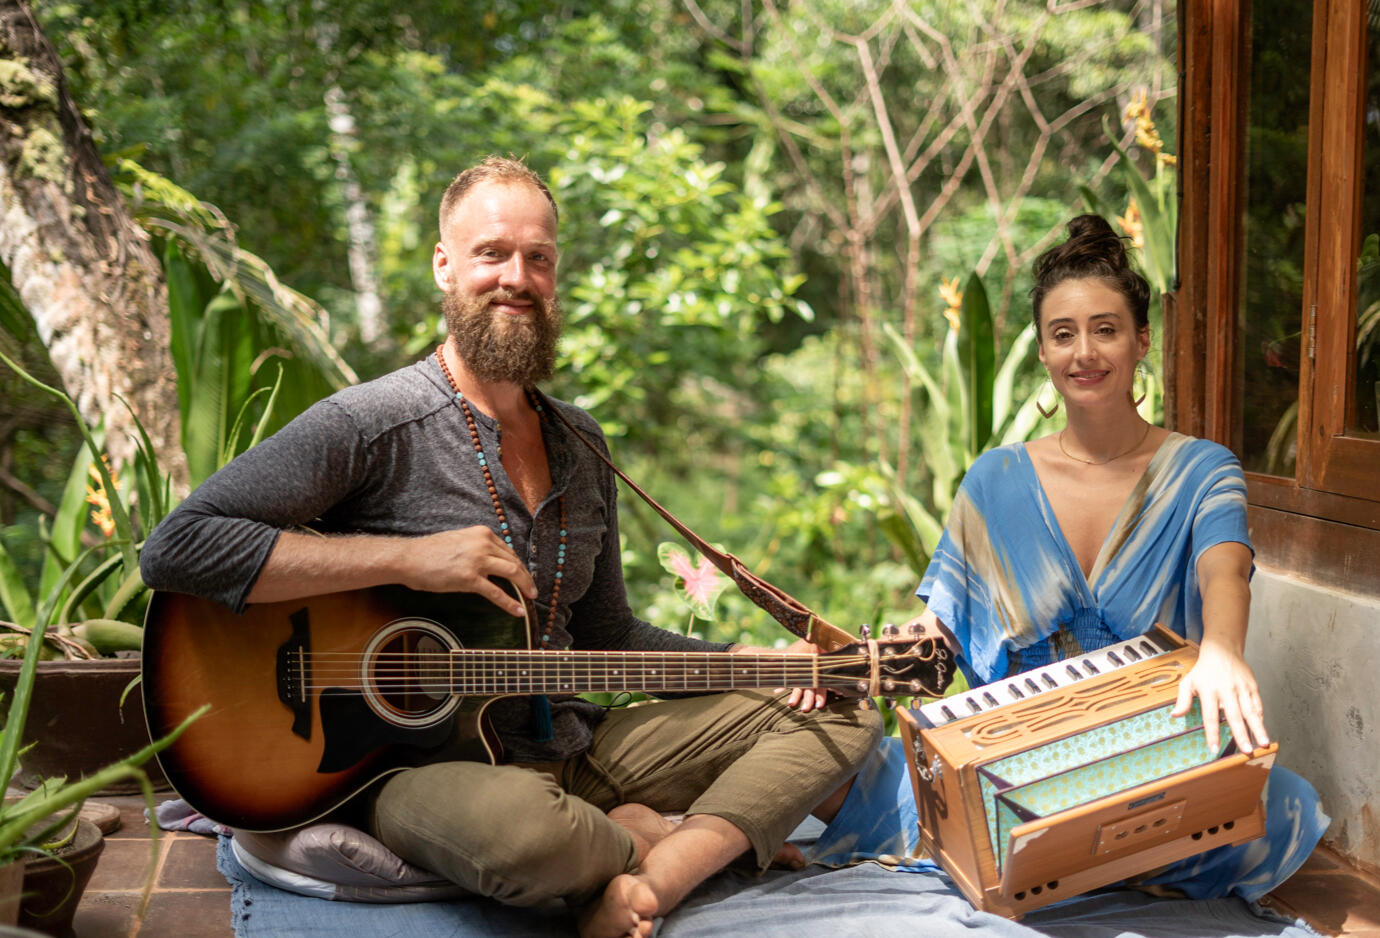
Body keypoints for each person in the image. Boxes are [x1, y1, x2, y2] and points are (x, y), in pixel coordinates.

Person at [140, 156, 882, 938]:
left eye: (539, 258)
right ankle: (644, 838)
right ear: (444, 265)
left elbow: (607, 635)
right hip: (424, 772)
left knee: (843, 713)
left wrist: (751, 662)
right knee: (527, 838)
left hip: (579, 747)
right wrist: (406, 560)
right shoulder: (372, 423)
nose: (516, 279)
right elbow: (177, 547)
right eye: (491, 253)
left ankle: (654, 875)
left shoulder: (580, 443)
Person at [896, 213, 1326, 899]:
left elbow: (1225, 569)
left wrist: (1222, 649)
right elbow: (940, 627)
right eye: (1063, 334)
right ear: (1043, 351)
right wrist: (881, 651)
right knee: (886, 781)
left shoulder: (1203, 469)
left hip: (1147, 754)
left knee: (1281, 808)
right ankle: (1057, 850)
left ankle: (1069, 855)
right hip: (1013, 758)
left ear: (1141, 341)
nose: (1084, 353)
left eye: (1105, 329)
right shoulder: (993, 480)